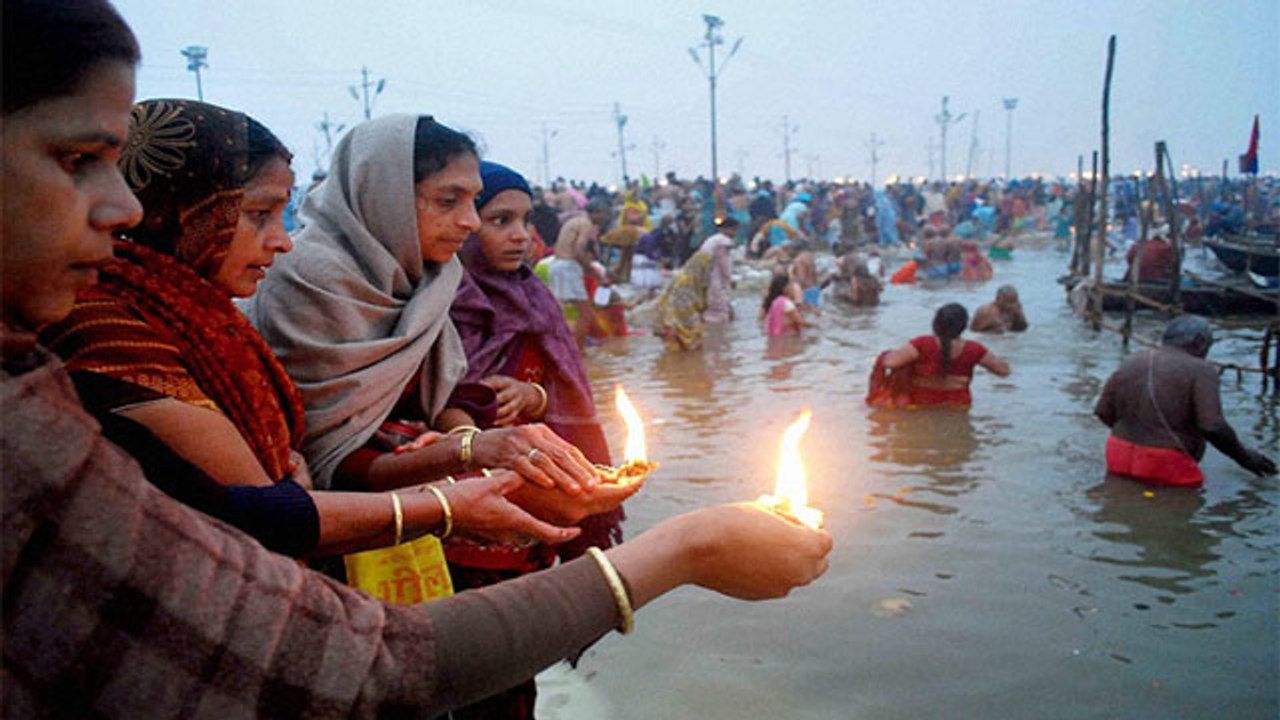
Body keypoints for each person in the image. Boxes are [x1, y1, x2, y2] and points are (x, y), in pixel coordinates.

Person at [1, 4, 833, 715]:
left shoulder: (323, 302)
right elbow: (281, 524)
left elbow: (400, 425)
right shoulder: (118, 339)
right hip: (331, 590)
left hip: (412, 554)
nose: (121, 207)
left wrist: (489, 437)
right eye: (76, 161)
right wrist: (462, 488)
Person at [447, 161, 628, 715]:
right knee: (459, 657)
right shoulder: (433, 304)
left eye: (526, 220)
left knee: (515, 662)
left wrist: (534, 398)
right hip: (452, 516)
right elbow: (411, 406)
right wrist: (464, 421)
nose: (520, 236)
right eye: (499, 220)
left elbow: (565, 390)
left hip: (531, 511)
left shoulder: (535, 297)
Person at [1094, 316, 1275, 486]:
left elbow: (1102, 411)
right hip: (1167, 463)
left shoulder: (1131, 361)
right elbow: (1212, 426)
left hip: (1118, 454)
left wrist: (1138, 438)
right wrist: (1245, 458)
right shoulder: (1202, 370)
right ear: (1199, 342)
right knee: (1182, 505)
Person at [872, 303, 1011, 408]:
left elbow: (890, 362)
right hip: (957, 407)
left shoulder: (922, 344)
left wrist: (889, 353)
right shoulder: (974, 349)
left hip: (922, 406)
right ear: (963, 326)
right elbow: (1004, 371)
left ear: (936, 323)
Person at [550, 198, 612, 345]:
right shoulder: (586, 224)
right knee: (585, 314)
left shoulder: (575, 221)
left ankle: (561, 346)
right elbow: (578, 251)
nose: (606, 218)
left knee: (560, 310)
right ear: (596, 212)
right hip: (568, 267)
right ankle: (578, 351)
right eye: (605, 214)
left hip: (557, 264)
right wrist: (597, 275)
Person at [652, 251, 714, 351]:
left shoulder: (692, 279)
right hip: (676, 319)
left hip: (673, 317)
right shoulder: (685, 280)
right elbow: (681, 304)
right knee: (682, 345)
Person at [699, 215, 738, 323]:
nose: (735, 233)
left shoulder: (713, 239)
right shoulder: (723, 241)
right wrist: (730, 279)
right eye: (734, 230)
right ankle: (717, 331)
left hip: (705, 276)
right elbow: (723, 262)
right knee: (720, 312)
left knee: (712, 307)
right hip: (714, 278)